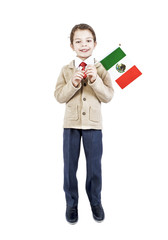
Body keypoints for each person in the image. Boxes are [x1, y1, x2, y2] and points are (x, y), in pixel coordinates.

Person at [54, 23, 114, 224]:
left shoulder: (102, 68)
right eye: (78, 41)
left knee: (94, 167)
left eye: (88, 40)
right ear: (72, 45)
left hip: (94, 126)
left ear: (95, 43)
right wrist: (72, 83)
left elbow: (108, 96)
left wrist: (95, 80)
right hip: (71, 124)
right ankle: (71, 204)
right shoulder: (66, 70)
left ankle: (95, 202)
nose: (84, 45)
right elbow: (59, 97)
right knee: (69, 167)